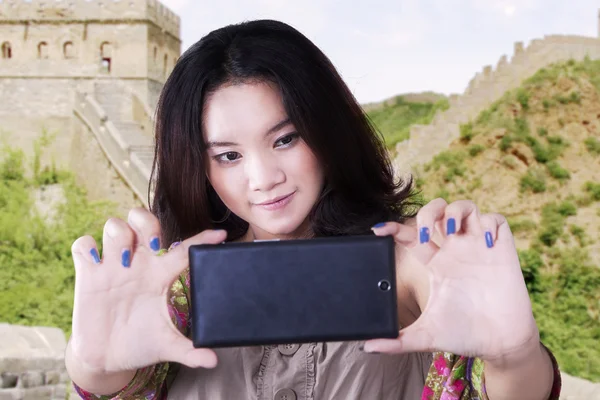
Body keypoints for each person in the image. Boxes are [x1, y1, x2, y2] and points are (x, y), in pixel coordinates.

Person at [66, 19, 561, 400]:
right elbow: (118, 379)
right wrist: (98, 371)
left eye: (285, 138)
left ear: (325, 130)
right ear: (199, 165)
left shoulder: (413, 266)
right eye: (229, 155)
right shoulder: (175, 288)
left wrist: (515, 358)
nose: (263, 179)